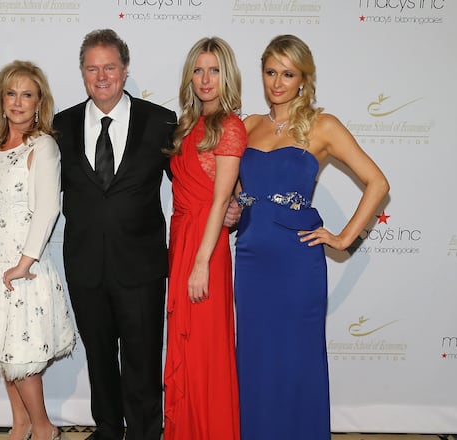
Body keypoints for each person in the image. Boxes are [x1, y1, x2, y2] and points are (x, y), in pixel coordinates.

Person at [234, 34, 389, 440]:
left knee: (297, 359)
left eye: (288, 74)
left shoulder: (323, 125)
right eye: (271, 72)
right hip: (250, 260)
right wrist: (233, 210)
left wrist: (342, 238)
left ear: (303, 78)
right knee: (255, 358)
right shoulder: (247, 125)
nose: (278, 83)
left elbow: (377, 182)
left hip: (296, 264)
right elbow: (234, 194)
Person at [53, 29, 177, 440]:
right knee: (100, 357)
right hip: (85, 265)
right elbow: (36, 185)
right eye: (92, 68)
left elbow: (189, 181)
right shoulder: (61, 125)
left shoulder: (160, 122)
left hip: (140, 266)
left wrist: (230, 203)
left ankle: (145, 432)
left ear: (124, 70)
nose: (101, 76)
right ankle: (108, 428)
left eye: (109, 66)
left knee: (143, 359)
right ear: (83, 73)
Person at [0, 60, 75, 440]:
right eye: (11, 93)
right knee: (3, 352)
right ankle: (21, 422)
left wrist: (23, 265)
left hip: (23, 270)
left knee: (21, 359)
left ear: (40, 101)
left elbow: (47, 209)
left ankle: (44, 428)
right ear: (1, 99)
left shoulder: (43, 147)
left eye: (27, 94)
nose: (18, 102)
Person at [163, 36, 244, 440]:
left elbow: (220, 201)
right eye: (198, 70)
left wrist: (200, 263)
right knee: (185, 348)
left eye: (214, 70)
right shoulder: (187, 125)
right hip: (182, 242)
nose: (205, 79)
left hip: (205, 252)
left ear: (226, 75)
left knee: (205, 352)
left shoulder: (230, 126)